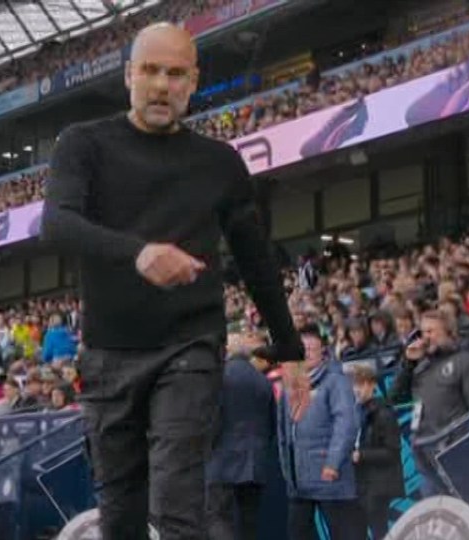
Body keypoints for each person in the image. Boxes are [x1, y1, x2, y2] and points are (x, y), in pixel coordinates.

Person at [41, 22, 307, 540]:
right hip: (108, 354)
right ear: (128, 76)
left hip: (189, 347)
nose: (162, 85)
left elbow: (255, 260)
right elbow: (57, 223)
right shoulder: (83, 145)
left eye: (176, 73)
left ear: (194, 80)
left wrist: (290, 349)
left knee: (177, 498)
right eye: (150, 71)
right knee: (120, 514)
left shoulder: (219, 163)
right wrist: (137, 253)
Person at [389, 310, 469, 497]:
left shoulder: (466, 361)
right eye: (422, 332)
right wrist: (408, 363)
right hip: (424, 453)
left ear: (449, 332)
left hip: (455, 452)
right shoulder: (419, 367)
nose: (425, 337)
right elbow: (395, 398)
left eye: (431, 331)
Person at [278, 328, 366, 540]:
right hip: (299, 484)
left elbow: (346, 425)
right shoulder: (288, 387)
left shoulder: (335, 381)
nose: (306, 353)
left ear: (322, 352)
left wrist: (333, 463)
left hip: (330, 480)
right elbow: (283, 435)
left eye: (311, 349)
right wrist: (287, 472)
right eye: (302, 349)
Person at [205, 334, 276, 540]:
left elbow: (213, 419)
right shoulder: (263, 381)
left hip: (222, 461)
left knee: (217, 518)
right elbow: (272, 425)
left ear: (225, 351)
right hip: (255, 463)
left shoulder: (219, 377)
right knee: (249, 521)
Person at [351, 364, 404, 540]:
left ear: (372, 385)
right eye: (355, 385)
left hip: (379, 486)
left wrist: (362, 455)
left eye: (361, 384)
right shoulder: (358, 413)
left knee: (380, 533)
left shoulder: (384, 413)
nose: (357, 389)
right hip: (364, 485)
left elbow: (392, 452)